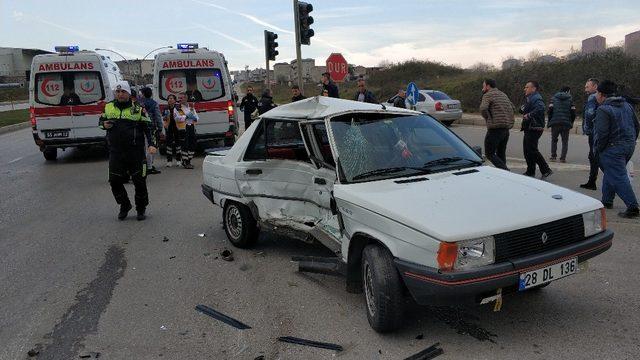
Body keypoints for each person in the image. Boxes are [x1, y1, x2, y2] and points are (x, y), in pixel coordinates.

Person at [99, 81, 156, 221]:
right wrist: (104, 125)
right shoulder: (108, 107)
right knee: (114, 180)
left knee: (139, 181)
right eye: (118, 92)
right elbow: (101, 122)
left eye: (123, 92)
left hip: (135, 152)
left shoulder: (138, 108)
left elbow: (148, 127)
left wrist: (152, 144)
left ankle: (141, 209)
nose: (120, 94)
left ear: (129, 94)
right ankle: (124, 205)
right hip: (116, 152)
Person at [593, 80, 640, 218]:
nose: (595, 95)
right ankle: (607, 200)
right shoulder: (627, 105)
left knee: (618, 176)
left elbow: (602, 134)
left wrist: (599, 149)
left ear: (601, 94)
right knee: (611, 172)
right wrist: (631, 141)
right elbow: (637, 126)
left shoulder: (603, 109)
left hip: (613, 148)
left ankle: (633, 207)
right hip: (628, 145)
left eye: (596, 92)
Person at [479, 78, 515, 171]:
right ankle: (504, 173)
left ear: (488, 86)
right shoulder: (503, 94)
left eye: (483, 86)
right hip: (506, 129)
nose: (482, 88)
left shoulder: (488, 95)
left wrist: (488, 118)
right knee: (501, 153)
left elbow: (483, 108)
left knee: (489, 153)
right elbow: (512, 107)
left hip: (495, 129)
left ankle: (506, 171)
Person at [520, 81, 552, 178]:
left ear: (533, 88)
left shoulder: (536, 98)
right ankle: (530, 171)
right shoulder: (530, 98)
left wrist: (529, 115)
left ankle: (546, 170)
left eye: (527, 87)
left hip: (534, 127)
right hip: (529, 127)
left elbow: (541, 108)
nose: (525, 89)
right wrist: (523, 109)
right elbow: (525, 108)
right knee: (527, 150)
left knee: (532, 150)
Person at [547, 86, 576, 163]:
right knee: (565, 141)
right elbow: (573, 113)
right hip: (566, 123)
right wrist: (571, 122)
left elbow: (550, 111)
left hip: (555, 122)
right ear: (567, 91)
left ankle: (553, 156)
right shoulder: (571, 99)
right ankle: (562, 158)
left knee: (554, 140)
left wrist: (550, 121)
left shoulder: (553, 99)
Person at [580, 78, 600, 190]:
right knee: (594, 156)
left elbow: (590, 114)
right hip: (597, 132)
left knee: (594, 157)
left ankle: (592, 182)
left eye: (587, 87)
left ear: (595, 87)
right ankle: (592, 181)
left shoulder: (593, 98)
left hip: (593, 132)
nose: (585, 89)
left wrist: (587, 129)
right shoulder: (599, 97)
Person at [140, 87, 163, 174]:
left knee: (144, 147)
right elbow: (158, 117)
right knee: (151, 147)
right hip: (151, 128)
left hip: (141, 128)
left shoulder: (139, 103)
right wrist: (160, 128)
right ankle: (149, 167)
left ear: (143, 94)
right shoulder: (154, 103)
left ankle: (146, 165)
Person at [175, 92, 198, 169]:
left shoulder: (191, 108)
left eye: (181, 98)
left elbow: (197, 118)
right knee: (185, 145)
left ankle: (189, 159)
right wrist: (186, 117)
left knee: (193, 144)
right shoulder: (177, 108)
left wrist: (194, 117)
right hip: (183, 128)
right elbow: (177, 118)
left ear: (186, 98)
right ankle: (185, 161)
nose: (180, 99)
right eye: (179, 98)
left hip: (191, 127)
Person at [163, 94, 183, 167]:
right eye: (168, 98)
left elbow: (181, 117)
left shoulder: (178, 108)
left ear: (175, 100)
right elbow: (164, 118)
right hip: (169, 127)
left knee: (178, 143)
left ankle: (178, 160)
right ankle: (169, 161)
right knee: (168, 144)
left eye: (171, 98)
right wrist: (165, 117)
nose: (170, 100)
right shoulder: (165, 108)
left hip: (177, 127)